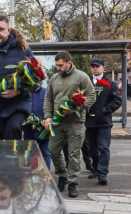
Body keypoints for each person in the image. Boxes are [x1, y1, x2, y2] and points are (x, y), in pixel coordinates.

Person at [43, 51, 96, 198]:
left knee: (73, 154)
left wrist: (76, 108)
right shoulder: (54, 78)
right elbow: (48, 99)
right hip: (57, 122)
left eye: (60, 65)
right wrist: (47, 117)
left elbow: (92, 96)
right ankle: (62, 176)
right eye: (57, 65)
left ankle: (72, 183)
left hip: (75, 123)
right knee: (52, 150)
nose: (58, 68)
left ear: (68, 63)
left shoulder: (81, 76)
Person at [85, 58, 122, 186]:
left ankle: (102, 173)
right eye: (93, 66)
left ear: (103, 68)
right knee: (92, 148)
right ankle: (95, 169)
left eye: (98, 66)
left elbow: (117, 100)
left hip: (104, 122)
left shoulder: (110, 84)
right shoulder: (87, 82)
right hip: (89, 121)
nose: (95, 68)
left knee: (103, 148)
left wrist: (106, 109)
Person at [23, 84, 51, 170]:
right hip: (29, 130)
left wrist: (49, 119)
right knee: (29, 153)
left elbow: (51, 108)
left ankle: (47, 174)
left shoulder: (46, 92)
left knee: (46, 153)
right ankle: (29, 175)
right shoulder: (25, 93)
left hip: (44, 130)